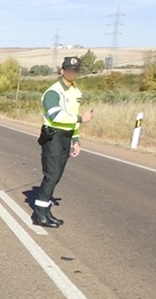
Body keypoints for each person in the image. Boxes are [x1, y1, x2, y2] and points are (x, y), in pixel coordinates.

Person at [32, 56, 94, 228]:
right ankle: (39, 215)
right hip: (53, 138)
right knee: (51, 176)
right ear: (62, 71)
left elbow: (72, 118)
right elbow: (56, 115)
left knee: (56, 176)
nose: (72, 73)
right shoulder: (53, 92)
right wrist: (82, 118)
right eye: (69, 70)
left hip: (66, 137)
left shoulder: (75, 92)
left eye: (76, 70)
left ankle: (45, 212)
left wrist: (75, 139)